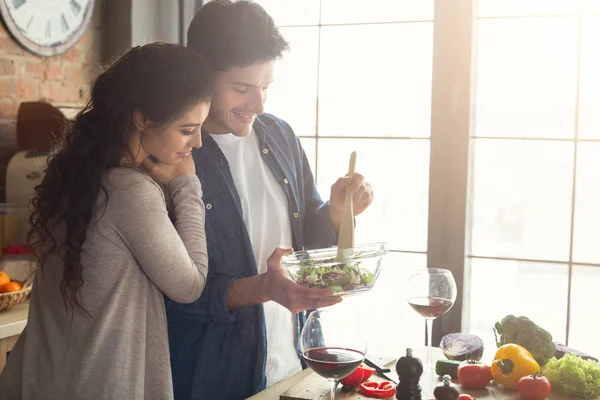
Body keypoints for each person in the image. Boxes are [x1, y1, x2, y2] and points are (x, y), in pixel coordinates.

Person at [165, 2, 375, 399]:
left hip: (293, 365)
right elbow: (170, 297)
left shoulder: (279, 136)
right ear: (200, 75)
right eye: (242, 89)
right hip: (212, 377)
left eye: (266, 87)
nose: (258, 105)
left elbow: (307, 250)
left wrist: (334, 212)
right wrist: (263, 288)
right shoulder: (174, 155)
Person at [0, 43, 213, 400]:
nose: (198, 142)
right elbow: (189, 286)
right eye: (187, 129)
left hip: (37, 379)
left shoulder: (74, 172)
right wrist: (186, 185)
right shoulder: (129, 190)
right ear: (142, 117)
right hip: (96, 385)